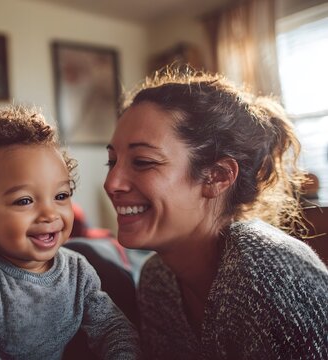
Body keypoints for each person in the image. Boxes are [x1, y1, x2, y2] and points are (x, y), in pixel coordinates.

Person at [104, 69, 328, 359]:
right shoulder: (156, 280)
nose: (111, 183)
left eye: (143, 162)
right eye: (111, 162)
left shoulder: (264, 269)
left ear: (217, 176)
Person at [0, 105, 141, 359]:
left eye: (61, 196)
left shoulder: (78, 271)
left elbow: (113, 328)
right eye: (24, 201)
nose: (49, 214)